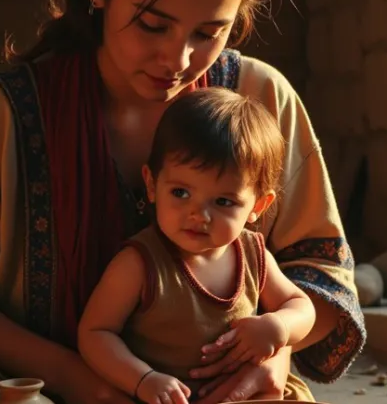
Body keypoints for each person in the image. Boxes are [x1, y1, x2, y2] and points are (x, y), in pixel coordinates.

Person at [0, 0, 365, 404]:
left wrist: (274, 354)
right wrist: (86, 381)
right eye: (153, 24)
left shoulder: (260, 99)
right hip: (37, 382)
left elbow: (323, 281)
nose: (178, 58)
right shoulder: (8, 113)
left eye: (209, 32)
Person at [78, 88, 317, 404]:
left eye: (223, 201)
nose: (198, 215)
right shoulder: (140, 264)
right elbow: (95, 334)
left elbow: (301, 305)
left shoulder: (252, 255)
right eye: (180, 193)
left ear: (258, 205)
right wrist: (143, 379)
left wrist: (279, 326)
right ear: (152, 184)